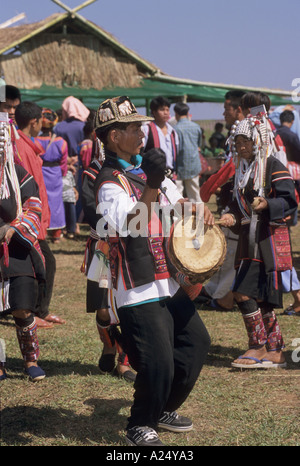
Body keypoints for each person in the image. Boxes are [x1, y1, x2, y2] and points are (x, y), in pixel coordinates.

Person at [93, 95, 212, 446]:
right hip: (137, 283)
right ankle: (138, 424)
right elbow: (130, 224)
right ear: (114, 136)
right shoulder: (109, 181)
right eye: (133, 128)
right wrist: (153, 183)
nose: (142, 133)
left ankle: (161, 407)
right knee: (158, 361)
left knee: (195, 344)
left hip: (165, 278)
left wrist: (197, 208)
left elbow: (177, 204)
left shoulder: (144, 168)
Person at [219, 114, 297, 368]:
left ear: (259, 142)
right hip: (247, 240)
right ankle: (275, 350)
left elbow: (289, 200)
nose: (242, 147)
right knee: (261, 297)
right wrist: (229, 215)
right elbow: (233, 203)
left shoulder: (273, 166)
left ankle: (258, 345)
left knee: (242, 292)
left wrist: (267, 204)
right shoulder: (241, 173)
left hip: (266, 241)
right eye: (238, 142)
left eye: (247, 142)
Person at [81, 141, 136, 382]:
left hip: (129, 244)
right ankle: (109, 345)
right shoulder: (93, 172)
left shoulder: (134, 169)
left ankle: (124, 361)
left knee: (127, 306)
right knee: (103, 309)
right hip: (103, 245)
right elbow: (91, 208)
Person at [0, 114, 46, 381]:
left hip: (17, 248)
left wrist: (15, 227)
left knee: (23, 307)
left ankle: (30, 360)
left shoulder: (16, 174)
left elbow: (34, 204)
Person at [14, 101, 66, 328]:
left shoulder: (26, 145)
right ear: (34, 122)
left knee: (39, 263)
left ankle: (36, 310)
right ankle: (35, 311)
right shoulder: (22, 148)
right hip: (28, 217)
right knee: (44, 263)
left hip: (32, 215)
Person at [54, 96, 90, 234]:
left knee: (65, 194)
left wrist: (66, 159)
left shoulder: (59, 127)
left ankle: (65, 225)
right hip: (80, 163)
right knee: (78, 194)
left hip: (63, 164)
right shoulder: (84, 126)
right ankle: (77, 223)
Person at [36, 108, 68, 244]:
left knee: (40, 201)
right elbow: (64, 163)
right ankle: (56, 234)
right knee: (56, 203)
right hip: (55, 173)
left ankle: (41, 230)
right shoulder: (61, 142)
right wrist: (62, 174)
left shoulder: (34, 140)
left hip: (40, 172)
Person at [142, 96, 179, 180]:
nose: (166, 113)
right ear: (154, 112)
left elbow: (176, 153)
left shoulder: (173, 132)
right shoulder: (147, 129)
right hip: (151, 175)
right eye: (162, 110)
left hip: (170, 175)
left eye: (167, 110)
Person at [173, 102, 202, 203]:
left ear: (176, 113)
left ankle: (178, 217)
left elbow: (174, 149)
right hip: (194, 164)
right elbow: (199, 144)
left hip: (179, 166)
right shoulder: (196, 127)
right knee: (195, 194)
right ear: (188, 112)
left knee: (177, 195)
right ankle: (199, 217)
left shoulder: (175, 129)